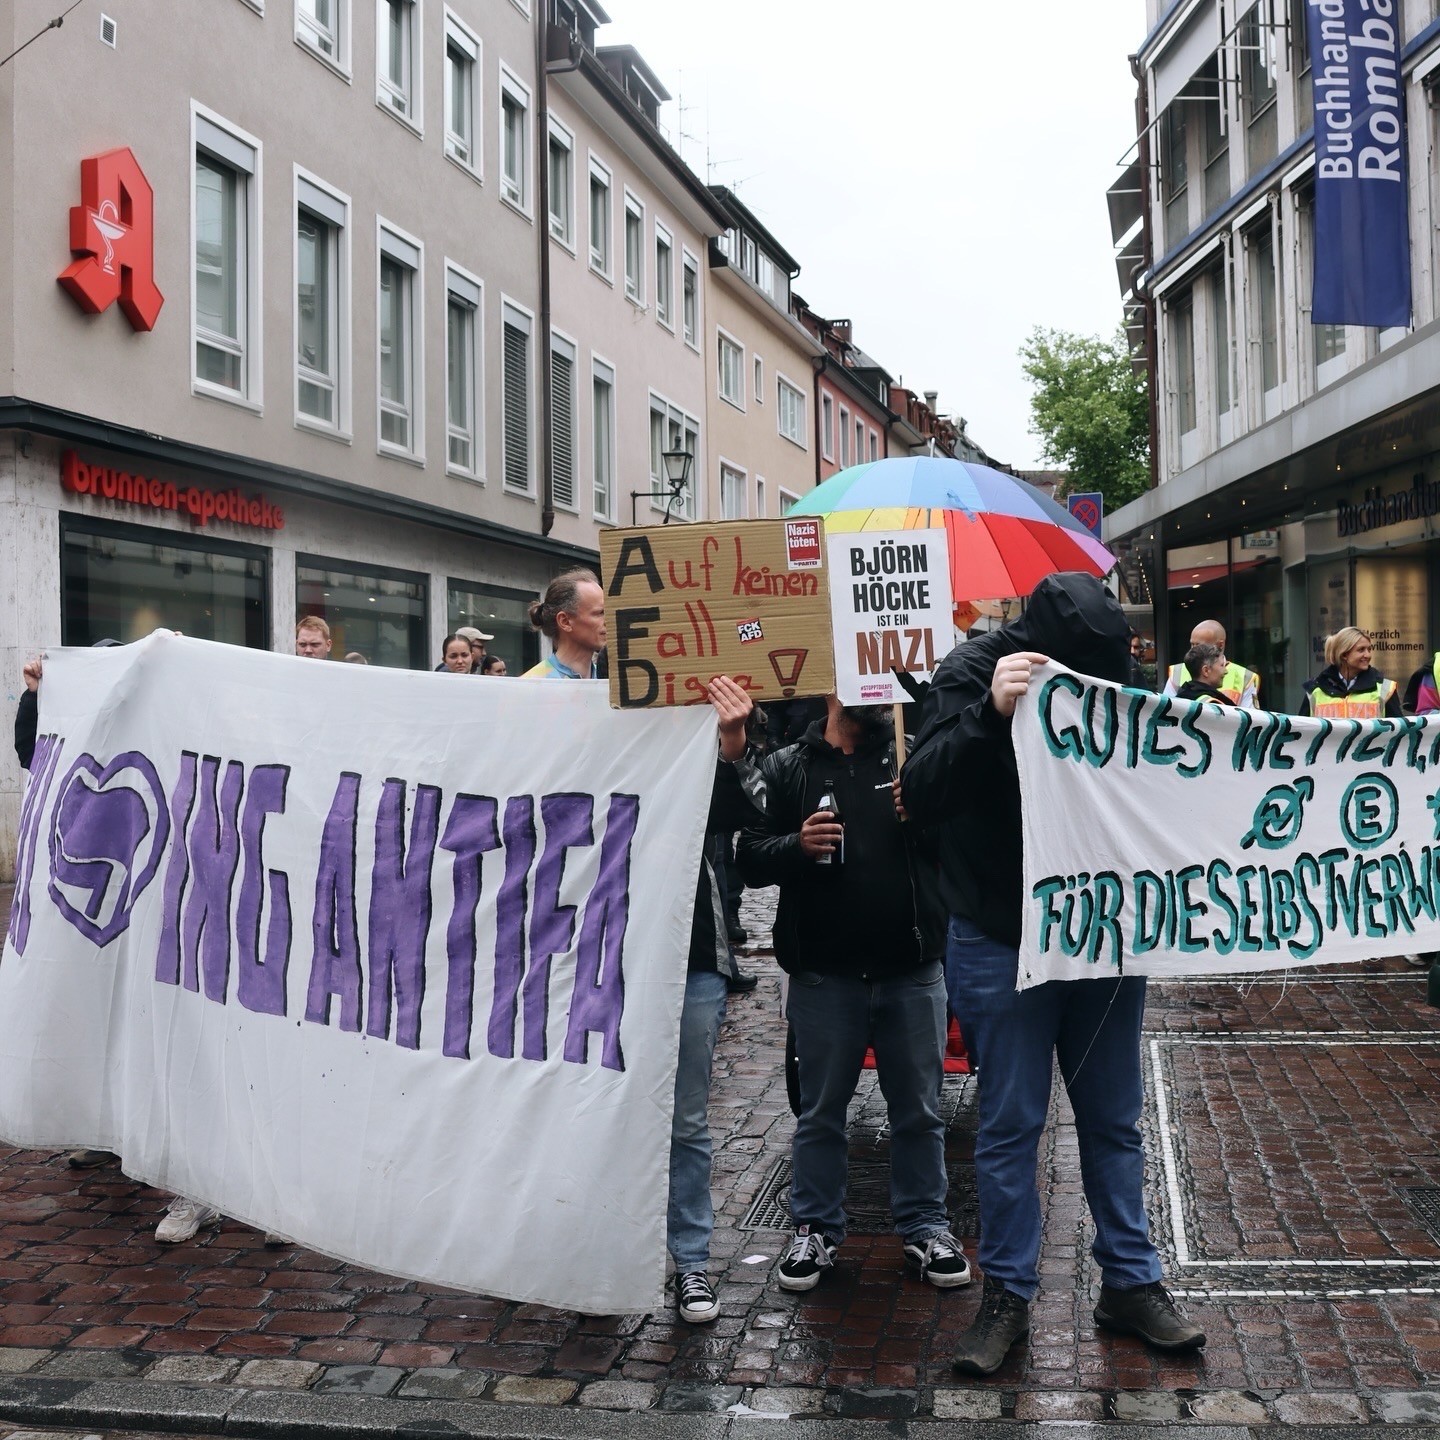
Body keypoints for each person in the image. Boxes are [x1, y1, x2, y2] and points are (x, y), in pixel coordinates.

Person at [903, 572, 1205, 1378]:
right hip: (1002, 938)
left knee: (1114, 1120)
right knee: (1010, 1124)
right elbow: (921, 791)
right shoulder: (971, 671)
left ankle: (1131, 1283)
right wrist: (986, 716)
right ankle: (1007, 1294)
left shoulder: (1118, 679)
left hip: (1101, 936)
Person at [525, 597, 765, 1323]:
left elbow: (740, 815)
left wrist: (728, 741)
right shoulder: (559, 710)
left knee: (684, 1120)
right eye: (599, 610)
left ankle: (690, 1262)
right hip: (591, 948)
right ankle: (589, 1254)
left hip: (687, 952)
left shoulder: (683, 718)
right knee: (585, 1104)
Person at [737, 695, 967, 1293]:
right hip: (824, 975)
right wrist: (796, 845)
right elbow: (749, 858)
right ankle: (815, 1228)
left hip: (911, 971)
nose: (881, 696)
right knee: (820, 1114)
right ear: (836, 687)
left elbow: (962, 851)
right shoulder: (788, 765)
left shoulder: (915, 759)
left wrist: (927, 817)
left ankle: (926, 1226)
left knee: (919, 1112)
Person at [1299, 627, 1402, 720]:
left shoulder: (1385, 689)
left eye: (1369, 649)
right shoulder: (1315, 690)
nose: (1368, 655)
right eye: (1361, 650)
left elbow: (1400, 730)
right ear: (1344, 655)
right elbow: (1302, 729)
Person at [522, 571, 605, 679]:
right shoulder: (532, 684)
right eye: (600, 613)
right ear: (565, 621)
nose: (609, 620)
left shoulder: (611, 681)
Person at [1161, 620, 1259, 707]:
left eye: (1199, 645)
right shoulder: (1177, 672)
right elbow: (1166, 711)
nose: (1193, 650)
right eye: (1192, 644)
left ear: (1220, 645)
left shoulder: (1245, 677)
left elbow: (1250, 718)